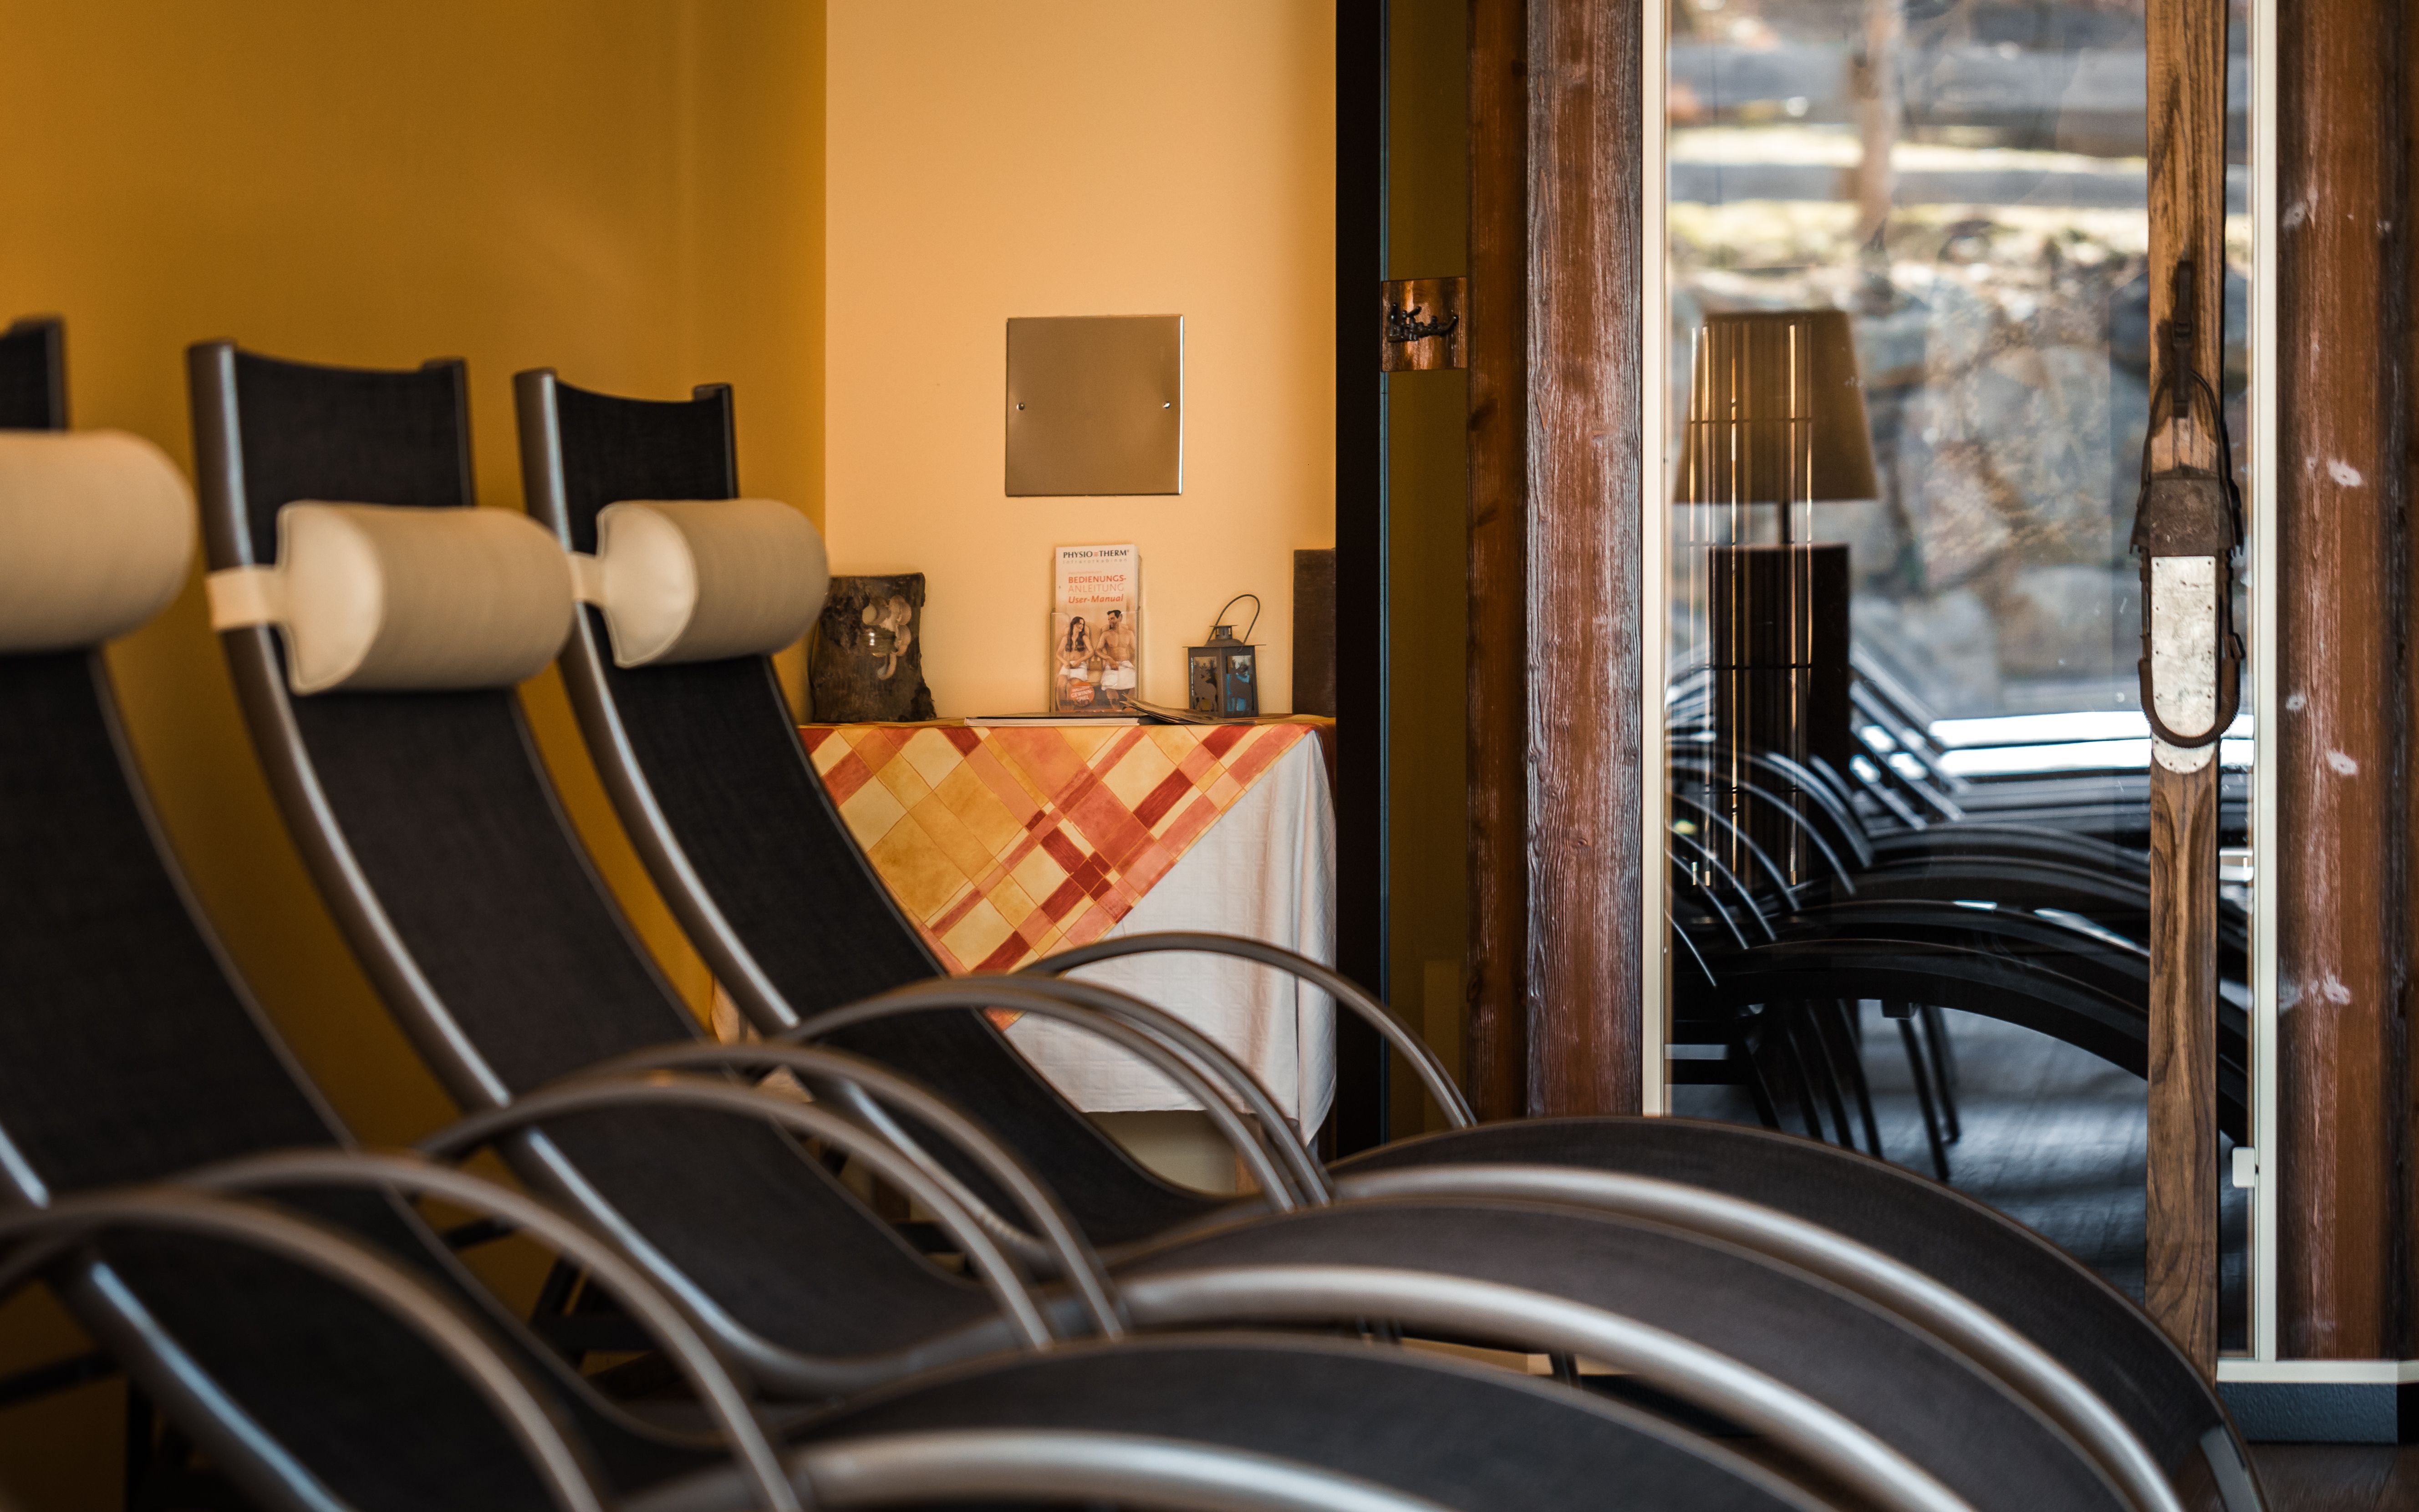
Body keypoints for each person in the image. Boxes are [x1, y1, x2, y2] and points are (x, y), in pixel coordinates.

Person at [1095, 607, 1138, 707]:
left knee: (1137, 682)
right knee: (1108, 684)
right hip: (1112, 664)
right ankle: (1117, 709)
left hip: (1126, 663)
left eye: (1112, 619)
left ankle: (1129, 707)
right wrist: (1109, 659)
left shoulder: (1129, 633)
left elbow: (1136, 650)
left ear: (1120, 618)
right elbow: (1097, 650)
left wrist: (1134, 662)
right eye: (1109, 619)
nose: (1110, 621)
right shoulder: (1106, 634)